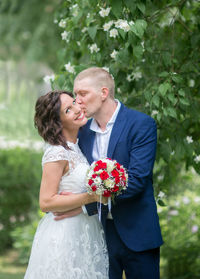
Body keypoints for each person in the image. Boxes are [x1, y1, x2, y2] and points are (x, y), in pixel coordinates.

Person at [56, 67, 163, 279]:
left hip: (138, 233)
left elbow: (137, 181)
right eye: (75, 95)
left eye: (83, 94)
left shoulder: (141, 124)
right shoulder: (82, 132)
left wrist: (82, 205)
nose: (78, 101)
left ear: (104, 93)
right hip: (98, 234)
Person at [24, 90, 109, 279]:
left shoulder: (75, 147)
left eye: (74, 103)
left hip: (85, 229)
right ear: (58, 122)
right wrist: (91, 197)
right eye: (68, 110)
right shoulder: (57, 153)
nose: (78, 109)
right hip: (64, 234)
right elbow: (46, 202)